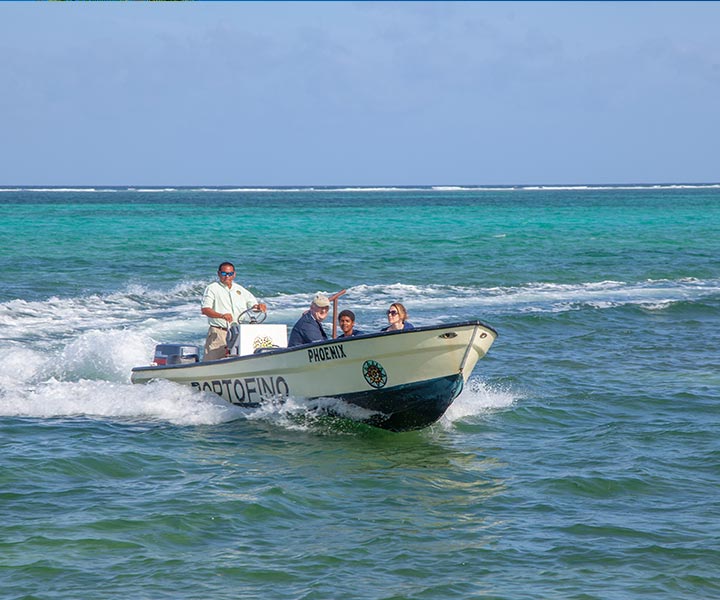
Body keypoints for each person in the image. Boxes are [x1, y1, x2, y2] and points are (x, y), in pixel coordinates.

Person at [200, 262, 266, 361]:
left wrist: (259, 307)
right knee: (212, 364)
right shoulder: (212, 288)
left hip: (239, 332)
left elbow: (253, 306)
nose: (227, 276)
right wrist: (221, 316)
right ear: (218, 274)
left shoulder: (240, 290)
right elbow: (205, 310)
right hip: (220, 332)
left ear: (234, 274)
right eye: (224, 274)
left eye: (230, 274)